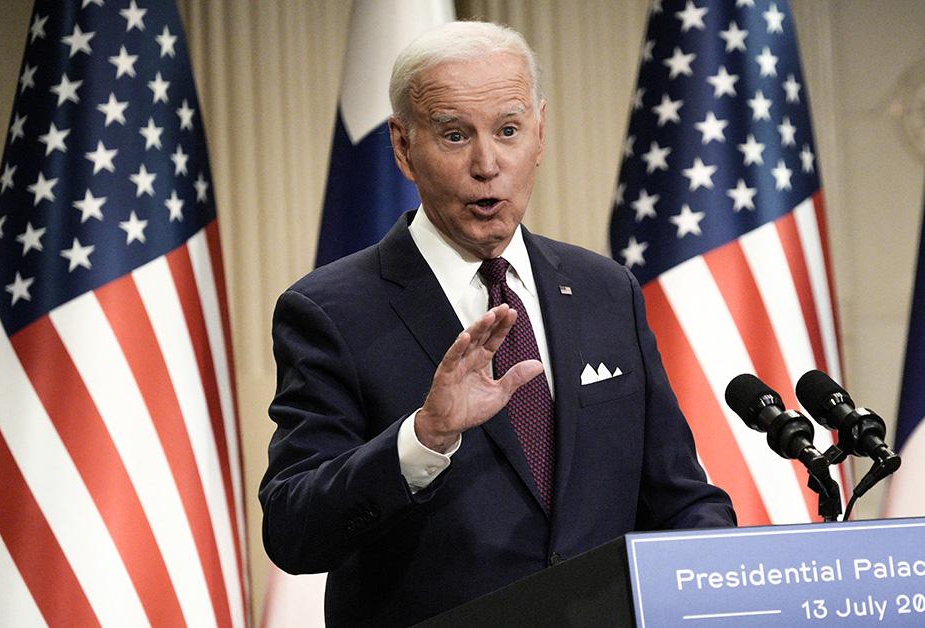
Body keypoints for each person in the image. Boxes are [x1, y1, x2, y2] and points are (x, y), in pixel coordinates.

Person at [259, 20, 735, 626]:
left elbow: (679, 495)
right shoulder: (331, 311)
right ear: (403, 147)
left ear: (539, 133)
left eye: (508, 131)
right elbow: (294, 530)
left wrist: (725, 575)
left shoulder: (603, 290)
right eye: (455, 135)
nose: (488, 164)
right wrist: (423, 437)